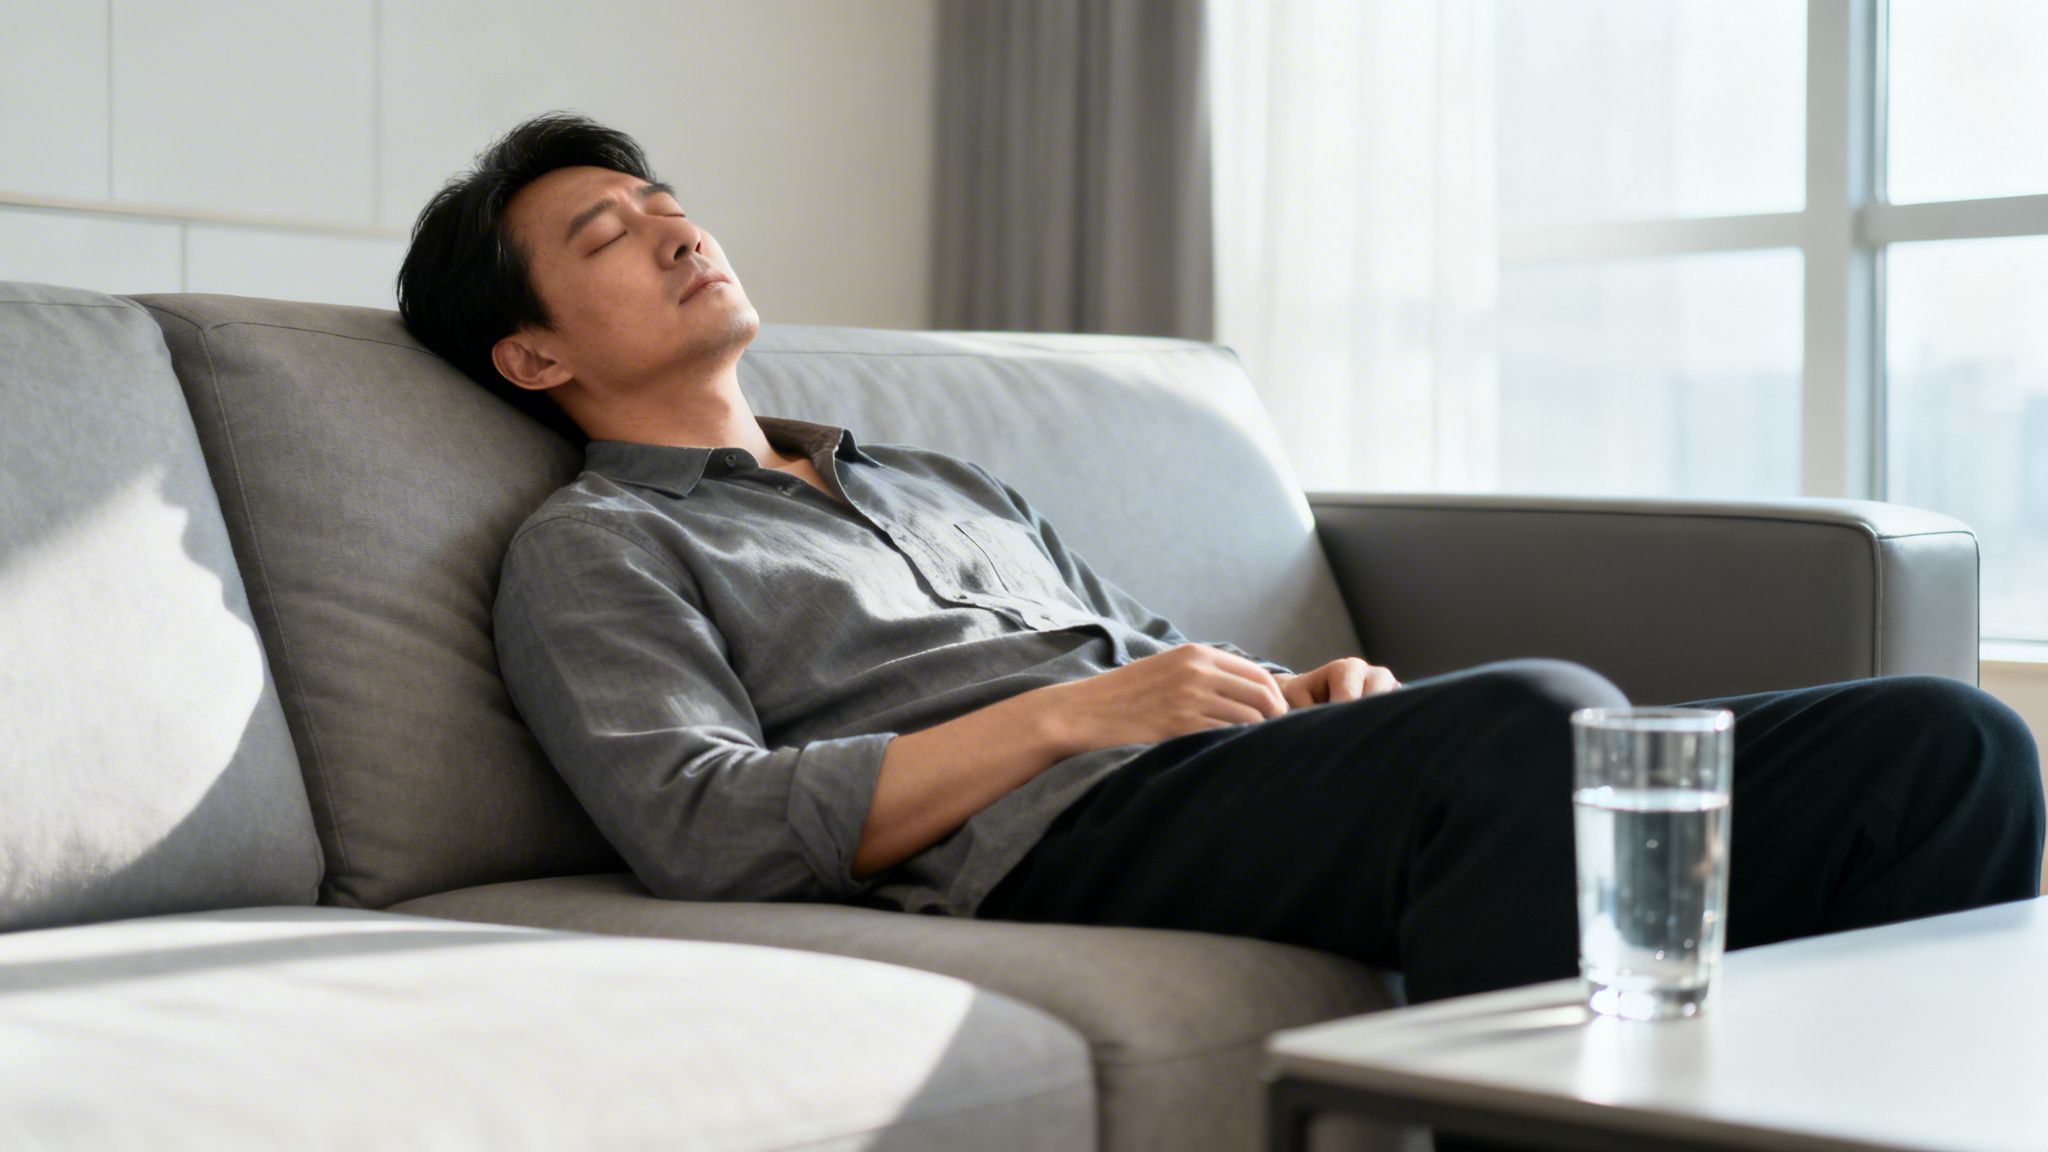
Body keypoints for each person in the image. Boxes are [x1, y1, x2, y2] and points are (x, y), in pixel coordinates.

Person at [397, 112, 2044, 1010]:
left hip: (1193, 776)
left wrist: (1307, 690)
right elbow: (698, 825)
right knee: (1528, 717)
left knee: (1945, 744)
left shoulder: (933, 473)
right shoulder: (599, 546)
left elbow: (1137, 646)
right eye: (608, 237)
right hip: (1047, 839)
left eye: (666, 198)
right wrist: (1072, 720)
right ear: (534, 359)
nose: (680, 229)